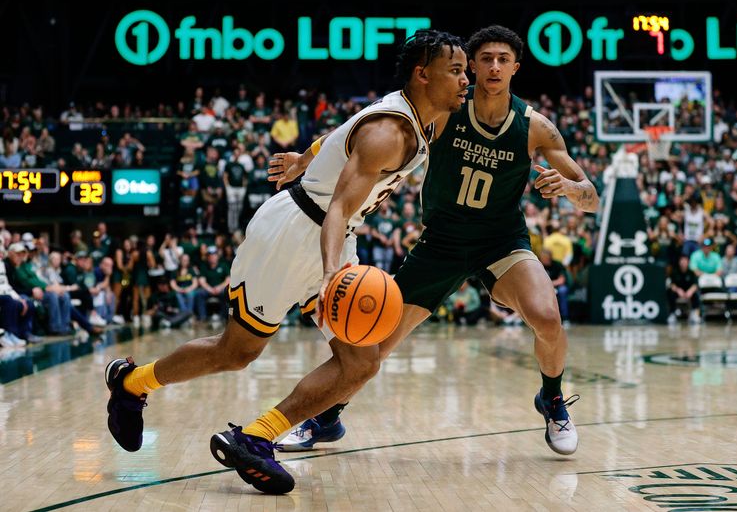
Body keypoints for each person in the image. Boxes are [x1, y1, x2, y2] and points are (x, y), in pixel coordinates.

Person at [103, 29, 469, 495]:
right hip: (296, 232)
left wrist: (305, 156)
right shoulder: (389, 132)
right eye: (456, 71)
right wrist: (334, 270)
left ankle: (255, 437)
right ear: (423, 75)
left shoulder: (424, 119)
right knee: (236, 353)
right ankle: (131, 383)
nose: (466, 80)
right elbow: (337, 206)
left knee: (362, 363)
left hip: (335, 236)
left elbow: (339, 134)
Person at [274, 26, 598, 457]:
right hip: (442, 241)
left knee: (547, 317)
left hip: (502, 241)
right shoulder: (445, 112)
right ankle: (327, 418)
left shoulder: (535, 127)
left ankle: (552, 397)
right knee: (374, 343)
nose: (494, 66)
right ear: (472, 66)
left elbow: (591, 197)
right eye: (485, 59)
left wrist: (573, 190)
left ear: (516, 67)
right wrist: (305, 157)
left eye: (503, 59)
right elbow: (367, 125)